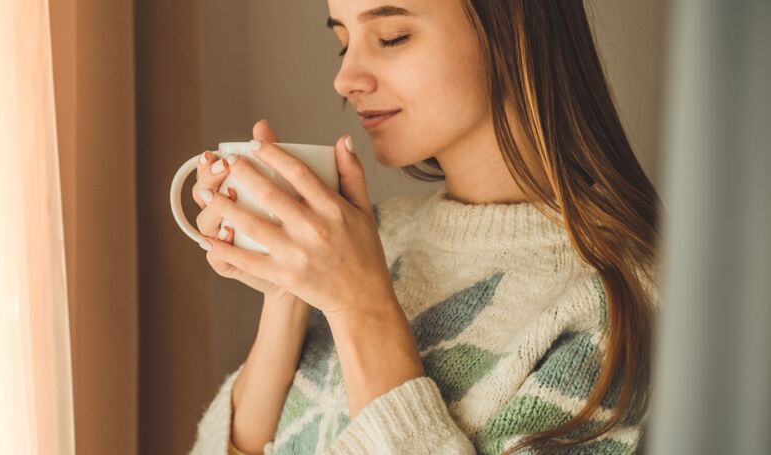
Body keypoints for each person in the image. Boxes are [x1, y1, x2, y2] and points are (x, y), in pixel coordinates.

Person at [189, 0, 660, 453]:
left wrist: (361, 308)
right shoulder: (369, 240)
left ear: (514, 32)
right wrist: (287, 294)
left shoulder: (617, 305)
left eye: (392, 37)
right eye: (343, 41)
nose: (345, 78)